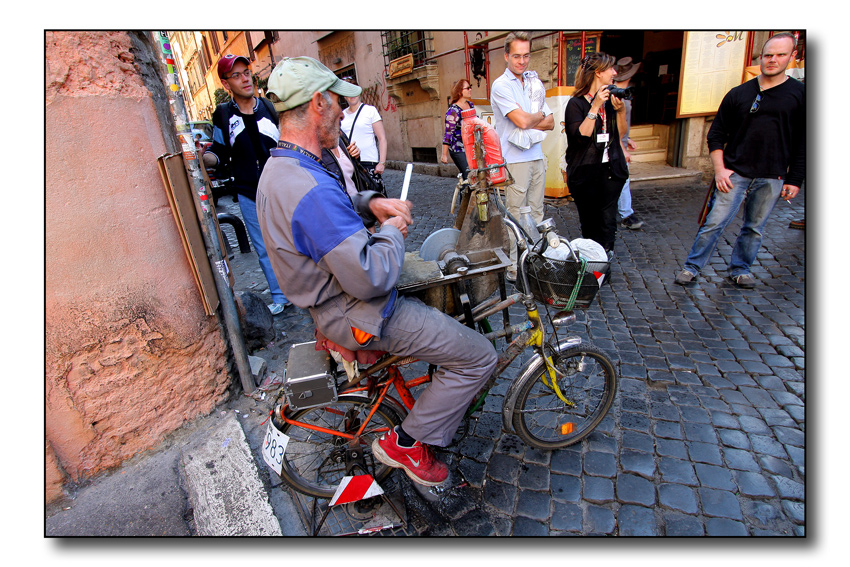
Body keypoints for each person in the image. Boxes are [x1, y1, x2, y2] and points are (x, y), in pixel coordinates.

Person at [256, 56, 498, 486]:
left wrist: (369, 204)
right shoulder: (307, 185)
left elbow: (321, 219)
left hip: (332, 304)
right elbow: (371, 276)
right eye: (338, 104)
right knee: (479, 356)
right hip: (360, 311)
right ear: (318, 103)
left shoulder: (282, 168)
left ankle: (426, 407)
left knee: (447, 325)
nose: (343, 113)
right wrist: (390, 230)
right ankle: (404, 443)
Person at [675, 33, 804, 288]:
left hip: (773, 174)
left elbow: (803, 141)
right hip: (735, 172)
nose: (773, 60)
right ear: (761, 57)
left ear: (792, 57)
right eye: (768, 55)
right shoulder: (739, 93)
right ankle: (692, 267)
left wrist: (795, 179)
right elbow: (716, 135)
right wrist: (720, 170)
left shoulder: (800, 95)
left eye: (780, 55)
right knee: (713, 223)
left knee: (754, 227)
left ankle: (740, 269)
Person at [203, 54, 290, 315]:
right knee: (264, 247)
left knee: (296, 241)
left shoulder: (269, 107)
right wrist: (201, 158)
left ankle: (308, 290)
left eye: (246, 72)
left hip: (283, 188)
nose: (245, 79)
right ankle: (279, 296)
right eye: (237, 75)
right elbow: (218, 151)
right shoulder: (223, 115)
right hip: (249, 192)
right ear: (226, 83)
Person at [490, 31, 555, 278]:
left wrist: (531, 118)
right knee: (515, 215)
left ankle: (535, 258)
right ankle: (514, 266)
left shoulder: (533, 83)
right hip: (515, 159)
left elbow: (549, 123)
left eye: (526, 55)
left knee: (537, 212)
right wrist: (533, 117)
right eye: (516, 56)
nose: (522, 61)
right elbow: (522, 120)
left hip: (537, 156)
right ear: (506, 56)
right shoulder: (501, 85)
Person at [564, 52, 629, 257]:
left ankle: (605, 261)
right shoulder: (576, 104)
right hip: (585, 173)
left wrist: (620, 112)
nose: (615, 72)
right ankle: (592, 262)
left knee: (608, 220)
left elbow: (621, 133)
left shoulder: (612, 101)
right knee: (590, 221)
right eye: (611, 68)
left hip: (610, 170)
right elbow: (581, 136)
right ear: (599, 73)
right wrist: (596, 106)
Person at [613, 57, 644, 230]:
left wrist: (628, 139)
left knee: (621, 179)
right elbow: (614, 127)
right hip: (617, 145)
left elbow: (622, 125)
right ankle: (626, 214)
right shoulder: (618, 97)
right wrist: (622, 146)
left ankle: (624, 212)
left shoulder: (623, 95)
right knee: (622, 179)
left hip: (621, 142)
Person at [340, 90, 387, 194]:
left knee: (376, 198)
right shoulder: (342, 115)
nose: (352, 95)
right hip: (350, 163)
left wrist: (382, 163)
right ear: (344, 96)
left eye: (354, 91)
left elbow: (382, 138)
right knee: (357, 200)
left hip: (369, 163)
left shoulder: (370, 110)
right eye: (349, 92)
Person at [440, 79, 475, 180]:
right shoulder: (453, 111)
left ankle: (472, 196)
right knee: (468, 175)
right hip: (458, 149)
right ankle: (463, 196)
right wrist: (444, 155)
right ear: (460, 92)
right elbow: (448, 134)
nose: (470, 89)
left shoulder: (470, 105)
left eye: (470, 86)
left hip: (470, 147)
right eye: (467, 88)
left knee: (474, 177)